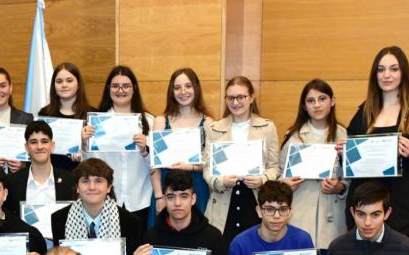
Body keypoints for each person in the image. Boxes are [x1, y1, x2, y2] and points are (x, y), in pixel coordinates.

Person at [345, 46, 409, 242]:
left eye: (394, 69)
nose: (386, 75)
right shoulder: (364, 113)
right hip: (366, 215)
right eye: (381, 69)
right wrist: (344, 153)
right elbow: (351, 164)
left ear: (403, 73)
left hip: (404, 213)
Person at [84, 65, 162, 233]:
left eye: (126, 86)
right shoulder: (97, 123)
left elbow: (158, 164)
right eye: (115, 86)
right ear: (108, 89)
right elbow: (90, 164)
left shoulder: (149, 122)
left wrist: (145, 150)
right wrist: (84, 143)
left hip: (141, 200)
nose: (120, 90)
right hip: (107, 201)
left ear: (134, 89)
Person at [203, 76, 280, 244]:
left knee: (253, 250)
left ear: (251, 98)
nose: (235, 102)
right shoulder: (214, 129)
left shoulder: (267, 128)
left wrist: (263, 179)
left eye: (241, 97)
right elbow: (207, 168)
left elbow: (275, 167)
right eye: (230, 98)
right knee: (224, 251)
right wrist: (220, 181)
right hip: (224, 200)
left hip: (254, 199)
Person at [279, 79, 348, 253]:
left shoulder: (344, 136)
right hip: (300, 214)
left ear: (332, 101)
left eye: (322, 99)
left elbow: (353, 178)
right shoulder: (294, 137)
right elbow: (279, 174)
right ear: (304, 106)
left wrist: (340, 188)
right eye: (311, 101)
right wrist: (285, 184)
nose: (317, 105)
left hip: (332, 216)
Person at [153, 68, 214, 213]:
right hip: (167, 187)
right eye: (177, 88)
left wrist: (190, 167)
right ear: (171, 91)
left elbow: (211, 164)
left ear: (196, 88)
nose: (183, 92)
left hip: (197, 186)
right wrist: (159, 196)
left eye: (188, 86)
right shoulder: (160, 121)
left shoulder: (208, 123)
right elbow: (154, 166)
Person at [3, 120, 76, 217]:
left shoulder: (70, 181)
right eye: (33, 142)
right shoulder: (12, 183)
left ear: (52, 146)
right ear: (26, 147)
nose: (39, 147)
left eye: (44, 141)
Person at [37, 62, 96, 171]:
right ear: (54, 86)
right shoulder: (44, 114)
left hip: (84, 176)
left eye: (69, 80)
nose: (64, 85)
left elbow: (99, 156)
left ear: (78, 84)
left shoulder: (92, 115)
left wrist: (83, 153)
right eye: (59, 81)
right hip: (51, 175)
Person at [0, 67, 34, 172]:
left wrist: (24, 165)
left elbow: (35, 152)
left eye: (2, 86)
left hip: (17, 178)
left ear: (10, 88)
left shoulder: (26, 119)